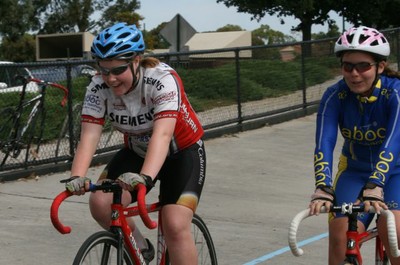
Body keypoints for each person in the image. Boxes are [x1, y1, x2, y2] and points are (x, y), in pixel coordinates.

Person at [65, 22, 206, 265]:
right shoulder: (98, 86)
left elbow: (162, 136)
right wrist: (76, 176)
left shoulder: (162, 80)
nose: (110, 78)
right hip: (138, 151)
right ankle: (141, 248)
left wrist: (146, 177)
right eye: (103, 69)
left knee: (174, 224)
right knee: (101, 202)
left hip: (181, 152)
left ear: (137, 60)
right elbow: (89, 134)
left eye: (118, 70)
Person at [308, 25, 400, 265]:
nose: (354, 74)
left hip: (396, 172)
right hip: (354, 172)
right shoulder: (334, 96)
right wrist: (323, 187)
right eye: (348, 66)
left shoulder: (395, 94)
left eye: (363, 66)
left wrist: (377, 183)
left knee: (394, 233)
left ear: (380, 66)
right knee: (339, 237)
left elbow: (393, 141)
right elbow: (324, 144)